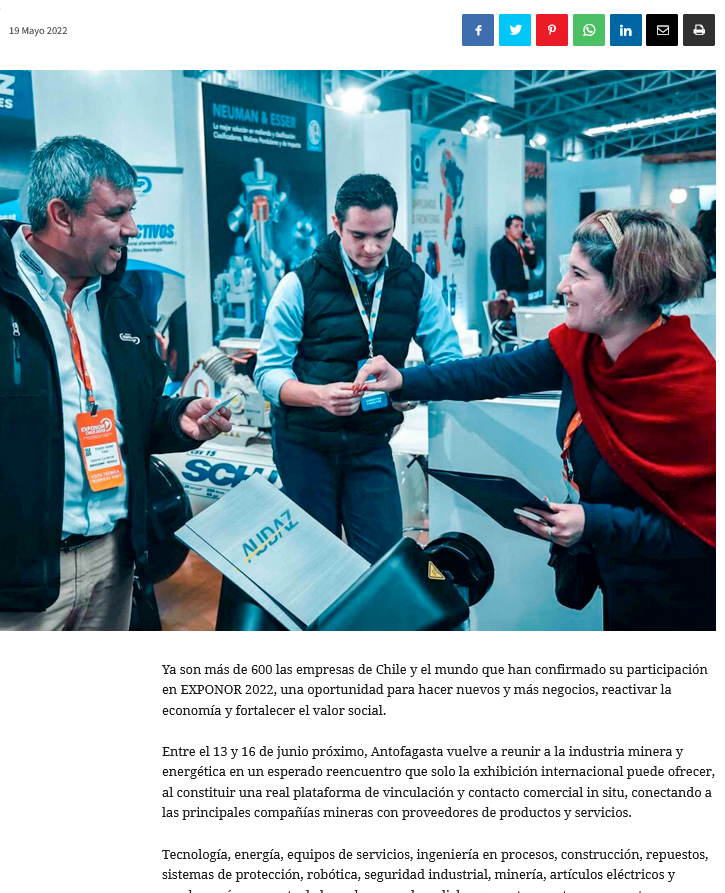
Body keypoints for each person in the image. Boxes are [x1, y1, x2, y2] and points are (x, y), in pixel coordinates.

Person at [0, 135, 231, 631]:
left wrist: (176, 420)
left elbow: (138, 414)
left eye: (131, 210)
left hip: (112, 567)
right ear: (62, 215)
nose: (131, 227)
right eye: (116, 213)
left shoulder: (120, 306)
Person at [354, 208, 715, 631]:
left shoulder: (692, 390)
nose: (562, 286)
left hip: (681, 599)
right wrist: (403, 380)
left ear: (627, 288)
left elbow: (703, 533)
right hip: (620, 583)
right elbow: (492, 373)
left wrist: (595, 523)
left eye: (578, 275)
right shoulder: (582, 348)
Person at [254, 173, 461, 564]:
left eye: (382, 235)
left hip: (370, 442)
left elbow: (449, 361)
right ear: (336, 224)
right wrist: (318, 396)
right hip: (305, 446)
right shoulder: (299, 284)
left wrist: (408, 388)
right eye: (358, 235)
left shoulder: (415, 283)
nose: (371, 248)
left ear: (394, 225)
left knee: (384, 561)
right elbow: (267, 374)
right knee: (315, 564)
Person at [490, 213, 537, 303]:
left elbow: (532, 265)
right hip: (510, 292)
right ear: (507, 229)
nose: (520, 229)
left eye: (521, 226)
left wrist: (531, 249)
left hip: (525, 290)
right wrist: (501, 289)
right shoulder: (499, 246)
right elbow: (497, 269)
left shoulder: (520, 247)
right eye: (516, 226)